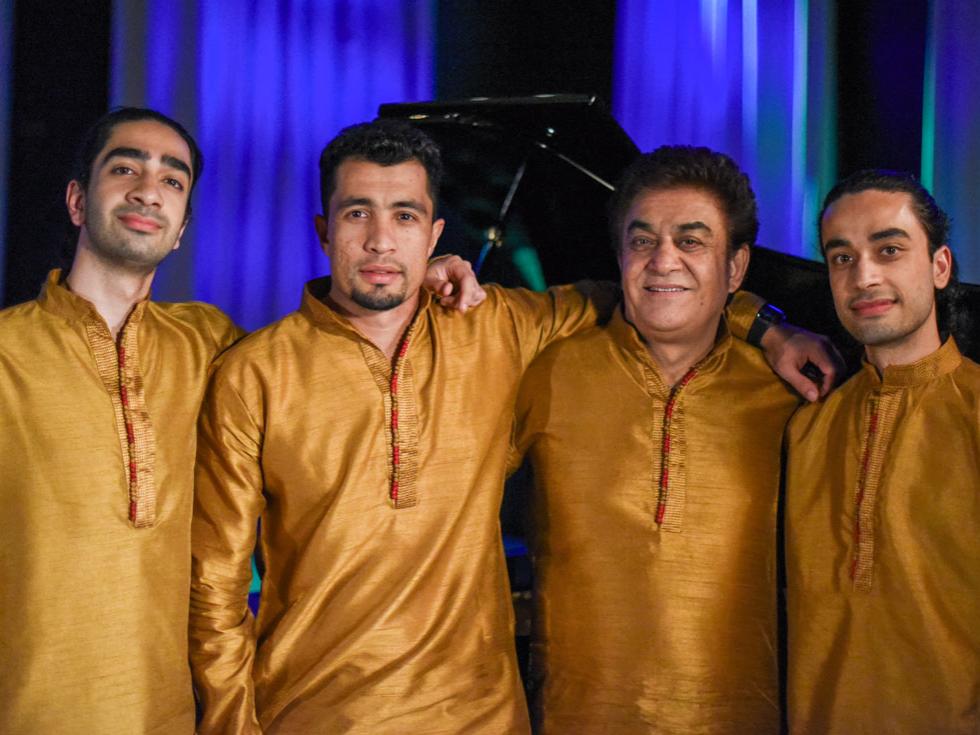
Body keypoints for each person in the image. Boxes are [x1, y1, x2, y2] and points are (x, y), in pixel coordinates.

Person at [188, 120, 838, 733]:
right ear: (323, 230)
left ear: (434, 234)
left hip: (482, 715)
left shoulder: (497, 330)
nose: (382, 240)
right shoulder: (257, 372)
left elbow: (643, 293)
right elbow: (214, 590)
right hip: (313, 714)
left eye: (405, 216)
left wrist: (762, 322)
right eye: (358, 213)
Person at [510, 146, 803, 733]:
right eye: (643, 241)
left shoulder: (794, 397)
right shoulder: (546, 373)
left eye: (691, 241)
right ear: (620, 257)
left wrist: (762, 326)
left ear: (736, 268)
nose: (663, 260)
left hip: (747, 719)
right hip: (576, 719)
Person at [0, 107, 241, 734]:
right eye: (125, 169)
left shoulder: (210, 344)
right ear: (78, 201)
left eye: (172, 180)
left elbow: (325, 362)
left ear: (181, 228)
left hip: (166, 715)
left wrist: (419, 287)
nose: (148, 191)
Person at [785, 170, 979, 734]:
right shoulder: (806, 428)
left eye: (889, 250)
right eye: (841, 258)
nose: (863, 276)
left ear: (940, 266)